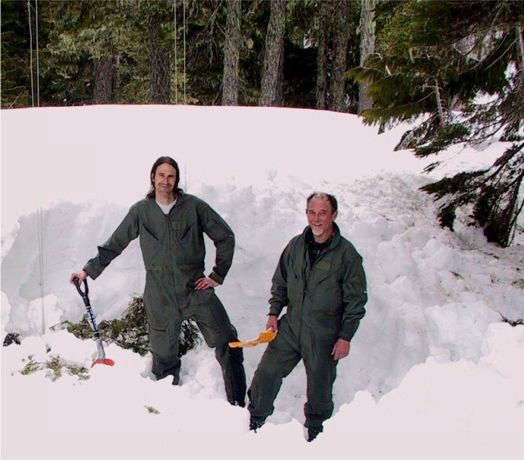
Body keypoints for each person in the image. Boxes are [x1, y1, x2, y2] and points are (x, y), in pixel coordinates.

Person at [70, 156, 246, 406]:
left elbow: (225, 236)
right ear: (153, 177)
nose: (165, 180)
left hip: (195, 289)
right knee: (163, 358)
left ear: (177, 180)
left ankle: (238, 405)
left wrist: (217, 276)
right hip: (159, 294)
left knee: (229, 341)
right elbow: (114, 245)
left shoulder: (194, 207)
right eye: (161, 175)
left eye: (170, 176)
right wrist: (87, 270)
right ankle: (169, 410)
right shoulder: (141, 211)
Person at [247, 192, 367, 441]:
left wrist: (345, 337)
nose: (316, 218)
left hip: (324, 333)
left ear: (333, 215)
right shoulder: (295, 246)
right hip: (291, 327)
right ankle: (254, 422)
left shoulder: (347, 255)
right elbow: (280, 282)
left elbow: (355, 302)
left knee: (319, 391)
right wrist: (273, 313)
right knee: (266, 374)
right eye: (312, 212)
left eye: (323, 213)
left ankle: (317, 435)